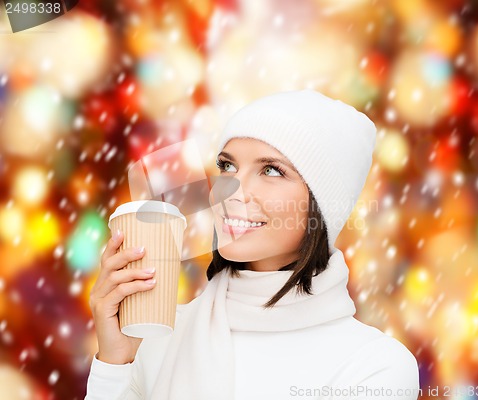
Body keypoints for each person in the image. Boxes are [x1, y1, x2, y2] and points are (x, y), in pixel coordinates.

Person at [85, 90, 420, 400]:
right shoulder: (158, 336)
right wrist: (115, 363)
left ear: (323, 206)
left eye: (272, 170)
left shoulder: (375, 365)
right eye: (227, 166)